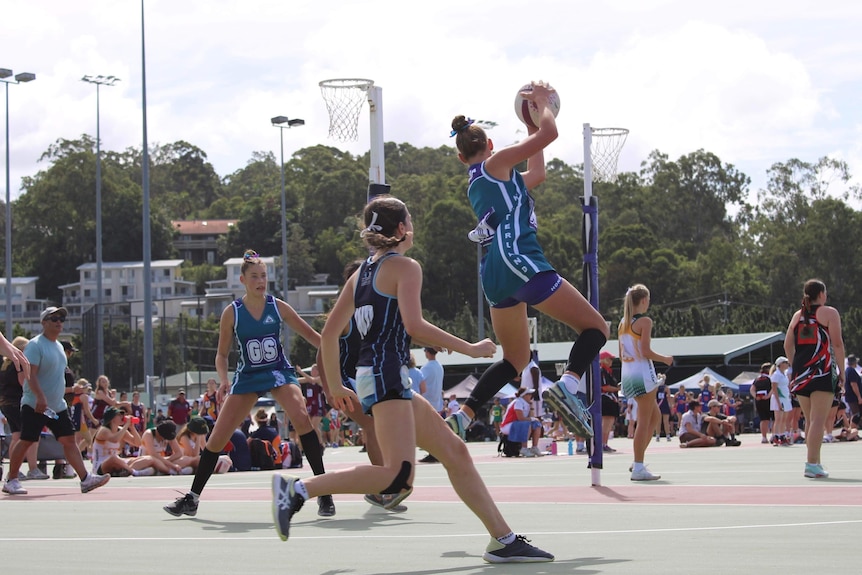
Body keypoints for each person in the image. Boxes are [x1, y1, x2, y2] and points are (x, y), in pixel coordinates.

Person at [272, 195, 553, 563]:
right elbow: (414, 325)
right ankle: (298, 489)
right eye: (410, 217)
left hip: (377, 377)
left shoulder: (361, 274)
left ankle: (503, 539)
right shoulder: (405, 267)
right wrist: (470, 348)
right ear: (402, 228)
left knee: (455, 452)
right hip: (386, 376)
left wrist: (337, 385)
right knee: (397, 477)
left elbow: (328, 335)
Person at [447, 86, 609, 443]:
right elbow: (552, 134)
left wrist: (531, 127)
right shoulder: (496, 163)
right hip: (517, 258)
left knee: (516, 360)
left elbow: (537, 173)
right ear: (490, 146)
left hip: (493, 272)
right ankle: (568, 385)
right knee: (596, 329)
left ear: (461, 158)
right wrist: (544, 108)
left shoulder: (487, 180)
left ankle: (464, 414)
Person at [164, 249, 334, 518]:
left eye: (264, 276)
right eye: (254, 276)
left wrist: (337, 350)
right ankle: (192, 498)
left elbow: (315, 337)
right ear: (242, 279)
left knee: (302, 418)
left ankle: (324, 494)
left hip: (278, 371)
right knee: (218, 436)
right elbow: (221, 355)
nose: (260, 280)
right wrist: (223, 381)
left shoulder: (278, 306)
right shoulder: (233, 312)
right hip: (249, 375)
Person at [2, 306, 110, 495]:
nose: (59, 322)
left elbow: (57, 377)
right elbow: (30, 375)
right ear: (44, 323)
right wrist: (40, 397)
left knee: (69, 440)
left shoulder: (59, 347)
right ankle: (11, 480)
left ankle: (85, 479)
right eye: (54, 318)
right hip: (35, 404)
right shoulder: (35, 345)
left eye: (61, 318)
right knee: (27, 440)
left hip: (57, 405)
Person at [784, 279, 845, 479]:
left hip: (801, 373)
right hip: (822, 370)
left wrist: (796, 367)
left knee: (811, 420)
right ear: (821, 294)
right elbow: (837, 344)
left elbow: (787, 345)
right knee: (819, 419)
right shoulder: (829, 313)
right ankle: (811, 464)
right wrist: (842, 371)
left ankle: (815, 461)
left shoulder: (798, 315)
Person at [618, 284, 673, 481]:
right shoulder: (644, 321)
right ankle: (639, 465)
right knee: (644, 420)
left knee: (654, 418)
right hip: (642, 374)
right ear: (643, 300)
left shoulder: (623, 323)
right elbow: (646, 351)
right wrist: (665, 359)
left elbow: (622, 353)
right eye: (648, 299)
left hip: (629, 374)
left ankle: (637, 460)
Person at [0, 336, 46, 480]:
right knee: (31, 435)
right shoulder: (18, 362)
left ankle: (14, 470)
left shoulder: (6, 365)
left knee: (17, 436)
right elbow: (22, 381)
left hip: (6, 403)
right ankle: (33, 468)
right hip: (16, 402)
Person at [91, 406, 157, 477]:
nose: (122, 416)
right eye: (119, 415)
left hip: (117, 462)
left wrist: (132, 428)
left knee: (147, 459)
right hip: (100, 465)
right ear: (112, 419)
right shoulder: (103, 430)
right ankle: (135, 472)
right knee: (113, 458)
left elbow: (137, 443)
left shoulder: (120, 430)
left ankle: (125, 471)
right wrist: (126, 425)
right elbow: (114, 439)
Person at [499, 388, 542, 457]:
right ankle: (524, 448)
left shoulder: (526, 403)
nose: (531, 396)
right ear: (524, 395)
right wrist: (532, 419)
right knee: (527, 424)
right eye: (529, 394)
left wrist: (531, 407)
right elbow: (521, 418)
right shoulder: (518, 402)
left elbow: (530, 417)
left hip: (518, 424)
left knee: (537, 424)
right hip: (507, 426)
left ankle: (534, 447)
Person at [598, 351, 620, 452]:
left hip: (611, 400)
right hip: (606, 399)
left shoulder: (609, 372)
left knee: (609, 424)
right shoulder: (602, 371)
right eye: (609, 359)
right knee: (605, 424)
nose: (611, 361)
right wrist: (617, 389)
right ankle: (601, 444)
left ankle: (605, 443)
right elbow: (605, 387)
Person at [770, 356, 793, 445]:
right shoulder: (776, 375)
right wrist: (778, 402)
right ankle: (775, 437)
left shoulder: (785, 374)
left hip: (785, 398)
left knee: (784, 419)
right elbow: (774, 389)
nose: (787, 364)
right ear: (780, 364)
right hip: (778, 398)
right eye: (785, 362)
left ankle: (782, 436)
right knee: (778, 419)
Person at [750, 363, 774, 443]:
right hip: (769, 400)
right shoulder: (770, 378)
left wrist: (755, 396)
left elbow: (752, 389)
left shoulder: (757, 379)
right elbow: (774, 388)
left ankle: (764, 437)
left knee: (763, 419)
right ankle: (773, 436)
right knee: (773, 419)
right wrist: (768, 396)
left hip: (759, 401)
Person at [420, 347, 444, 415]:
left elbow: (420, 382)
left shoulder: (426, 367)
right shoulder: (440, 366)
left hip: (427, 402)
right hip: (437, 403)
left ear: (427, 352)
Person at [843, 354, 861, 424]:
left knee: (855, 413)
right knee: (856, 414)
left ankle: (853, 428)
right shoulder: (851, 371)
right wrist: (859, 397)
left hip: (850, 396)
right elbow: (854, 384)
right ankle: (852, 428)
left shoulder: (847, 370)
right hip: (853, 397)